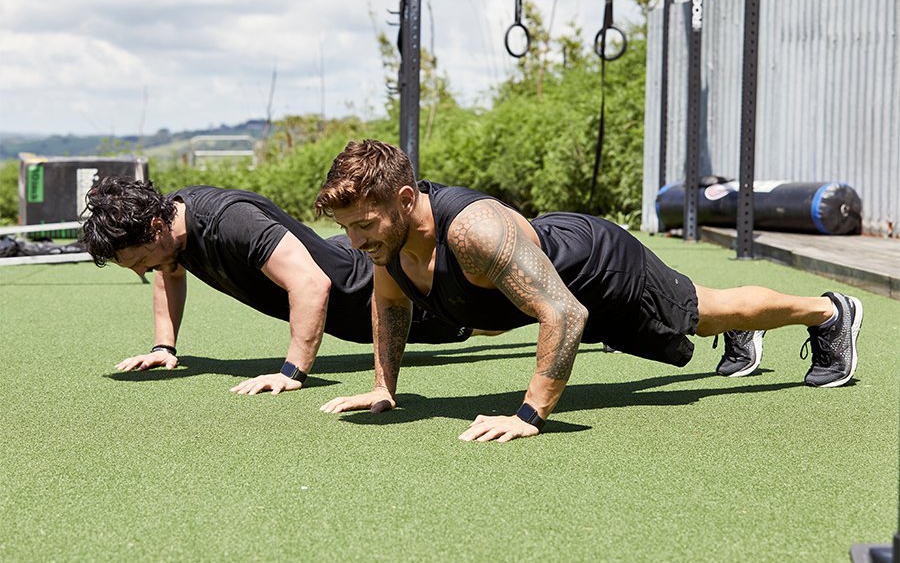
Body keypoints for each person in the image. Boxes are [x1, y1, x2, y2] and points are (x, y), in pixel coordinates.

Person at [313, 139, 864, 443]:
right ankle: (750, 333)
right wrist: (385, 387)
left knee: (706, 310)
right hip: (553, 270)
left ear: (406, 199)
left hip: (599, 266)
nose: (356, 240)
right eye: (347, 229)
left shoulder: (473, 231)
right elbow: (388, 304)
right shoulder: (390, 246)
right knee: (708, 311)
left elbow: (564, 314)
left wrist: (528, 415)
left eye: (364, 224)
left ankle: (828, 313)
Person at [81, 178, 491, 396]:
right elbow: (168, 272)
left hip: (369, 292)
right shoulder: (171, 229)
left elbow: (311, 284)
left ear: (156, 227)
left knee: (492, 319)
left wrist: (292, 372)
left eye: (138, 261)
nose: (141, 272)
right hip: (345, 285)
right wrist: (163, 348)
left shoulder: (229, 221)